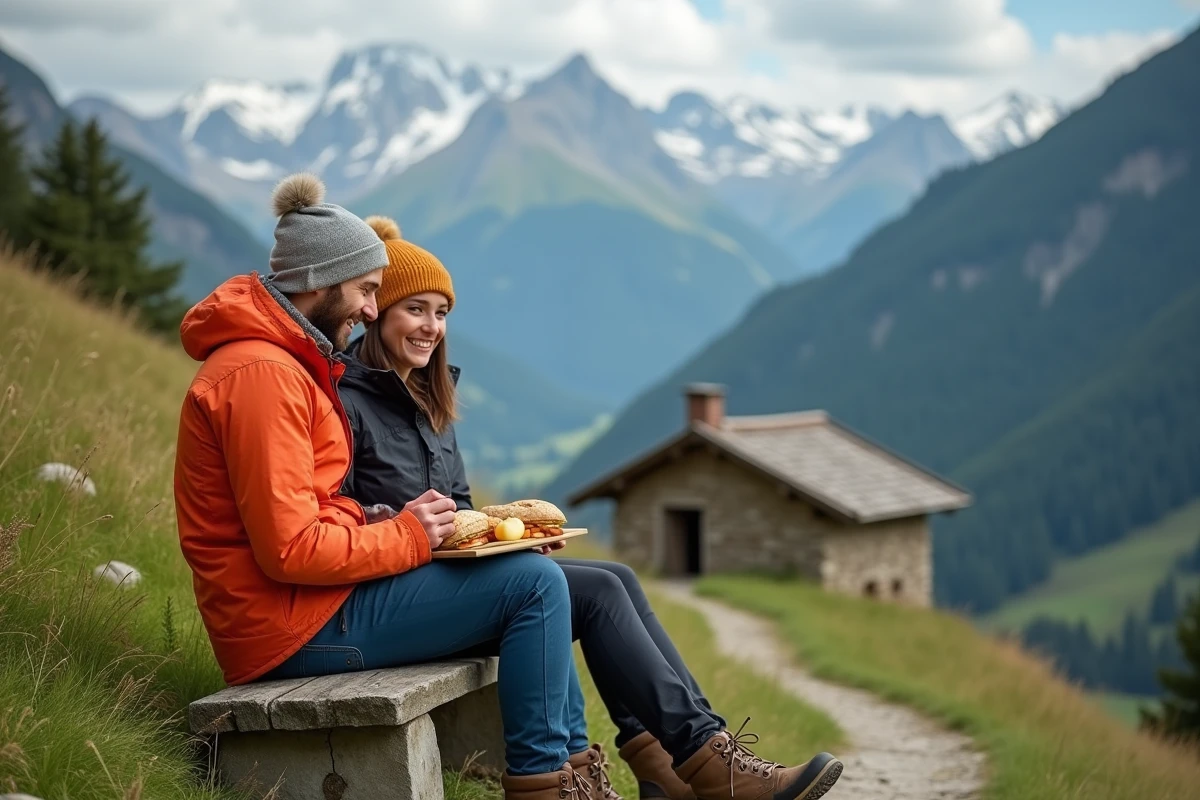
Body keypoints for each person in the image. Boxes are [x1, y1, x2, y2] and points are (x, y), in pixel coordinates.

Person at [327, 215, 845, 800]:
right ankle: (707, 767)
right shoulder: (346, 402)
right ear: (378, 313)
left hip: (444, 578)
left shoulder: (430, 402)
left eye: (441, 312)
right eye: (414, 309)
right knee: (585, 591)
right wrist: (407, 527)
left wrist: (508, 537)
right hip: (391, 594)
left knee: (614, 576)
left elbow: (461, 509)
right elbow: (339, 513)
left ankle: (670, 766)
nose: (431, 326)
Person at [174, 175, 592, 798]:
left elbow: (310, 514)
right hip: (289, 630)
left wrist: (375, 521)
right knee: (533, 587)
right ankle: (545, 786)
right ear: (321, 282)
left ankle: (569, 776)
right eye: (367, 290)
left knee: (537, 580)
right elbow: (289, 549)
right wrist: (405, 533)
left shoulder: (283, 365)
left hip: (310, 607)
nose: (373, 310)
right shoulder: (263, 375)